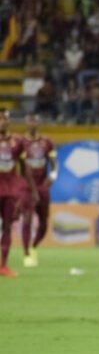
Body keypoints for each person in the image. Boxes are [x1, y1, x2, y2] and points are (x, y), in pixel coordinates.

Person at [0, 108, 37, 277]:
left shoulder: (18, 141)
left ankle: (3, 265)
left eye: (5, 118)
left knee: (7, 226)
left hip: (10, 190)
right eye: (0, 118)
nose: (3, 121)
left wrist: (32, 189)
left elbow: (25, 168)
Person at [20, 114, 57, 267]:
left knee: (44, 222)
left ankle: (34, 246)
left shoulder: (47, 142)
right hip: (27, 187)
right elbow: (21, 166)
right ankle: (27, 254)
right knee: (27, 219)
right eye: (30, 120)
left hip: (42, 186)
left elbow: (54, 164)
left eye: (35, 120)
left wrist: (52, 177)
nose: (32, 123)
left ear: (38, 122)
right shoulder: (21, 142)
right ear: (26, 122)